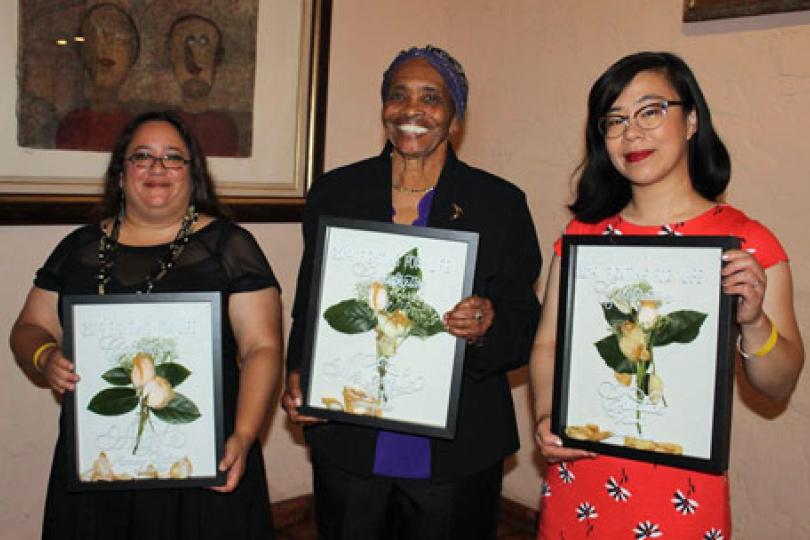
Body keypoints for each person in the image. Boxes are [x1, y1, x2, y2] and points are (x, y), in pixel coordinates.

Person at [530, 51, 804, 538]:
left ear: (692, 119)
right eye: (614, 120)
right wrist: (549, 416)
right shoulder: (581, 237)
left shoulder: (748, 242)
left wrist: (755, 321)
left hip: (681, 492)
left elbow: (779, 385)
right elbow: (550, 343)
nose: (631, 132)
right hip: (582, 475)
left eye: (650, 111)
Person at [283, 45, 542, 539]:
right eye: (398, 95)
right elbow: (311, 304)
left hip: (458, 448)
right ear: (383, 107)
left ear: (455, 116)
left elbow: (525, 321)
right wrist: (300, 372)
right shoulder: (336, 192)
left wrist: (488, 324)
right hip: (350, 442)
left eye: (432, 98)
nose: (412, 110)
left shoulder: (500, 203)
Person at [11, 111, 282, 539]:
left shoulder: (231, 247)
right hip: (99, 460)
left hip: (204, 457)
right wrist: (45, 357)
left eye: (174, 157)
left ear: (194, 176)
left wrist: (245, 435)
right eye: (143, 156)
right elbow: (28, 327)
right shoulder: (78, 249)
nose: (158, 168)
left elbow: (262, 348)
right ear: (121, 174)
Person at [56, 3, 138, 151]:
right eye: (96, 34)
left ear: (132, 56)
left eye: (119, 37)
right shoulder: (73, 125)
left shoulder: (136, 129)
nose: (107, 44)